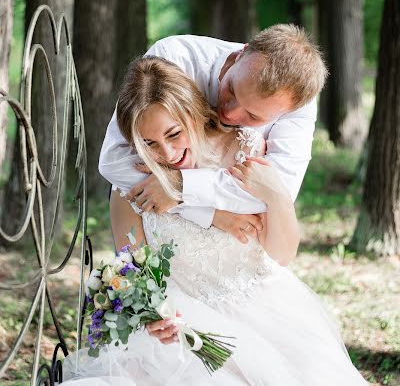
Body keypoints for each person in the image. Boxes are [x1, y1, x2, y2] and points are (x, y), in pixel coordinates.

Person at [63, 57, 367, 385]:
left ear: (194, 112)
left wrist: (277, 196)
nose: (166, 153)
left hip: (265, 315)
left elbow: (280, 255)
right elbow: (139, 269)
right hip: (188, 326)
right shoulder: (135, 183)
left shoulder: (246, 152)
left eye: (174, 133)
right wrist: (153, 313)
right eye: (149, 143)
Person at [99, 25, 328, 243]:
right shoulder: (172, 58)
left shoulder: (299, 108)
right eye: (231, 90)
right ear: (239, 54)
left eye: (253, 116)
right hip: (155, 230)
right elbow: (115, 162)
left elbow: (275, 193)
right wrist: (207, 212)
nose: (229, 113)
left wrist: (182, 186)